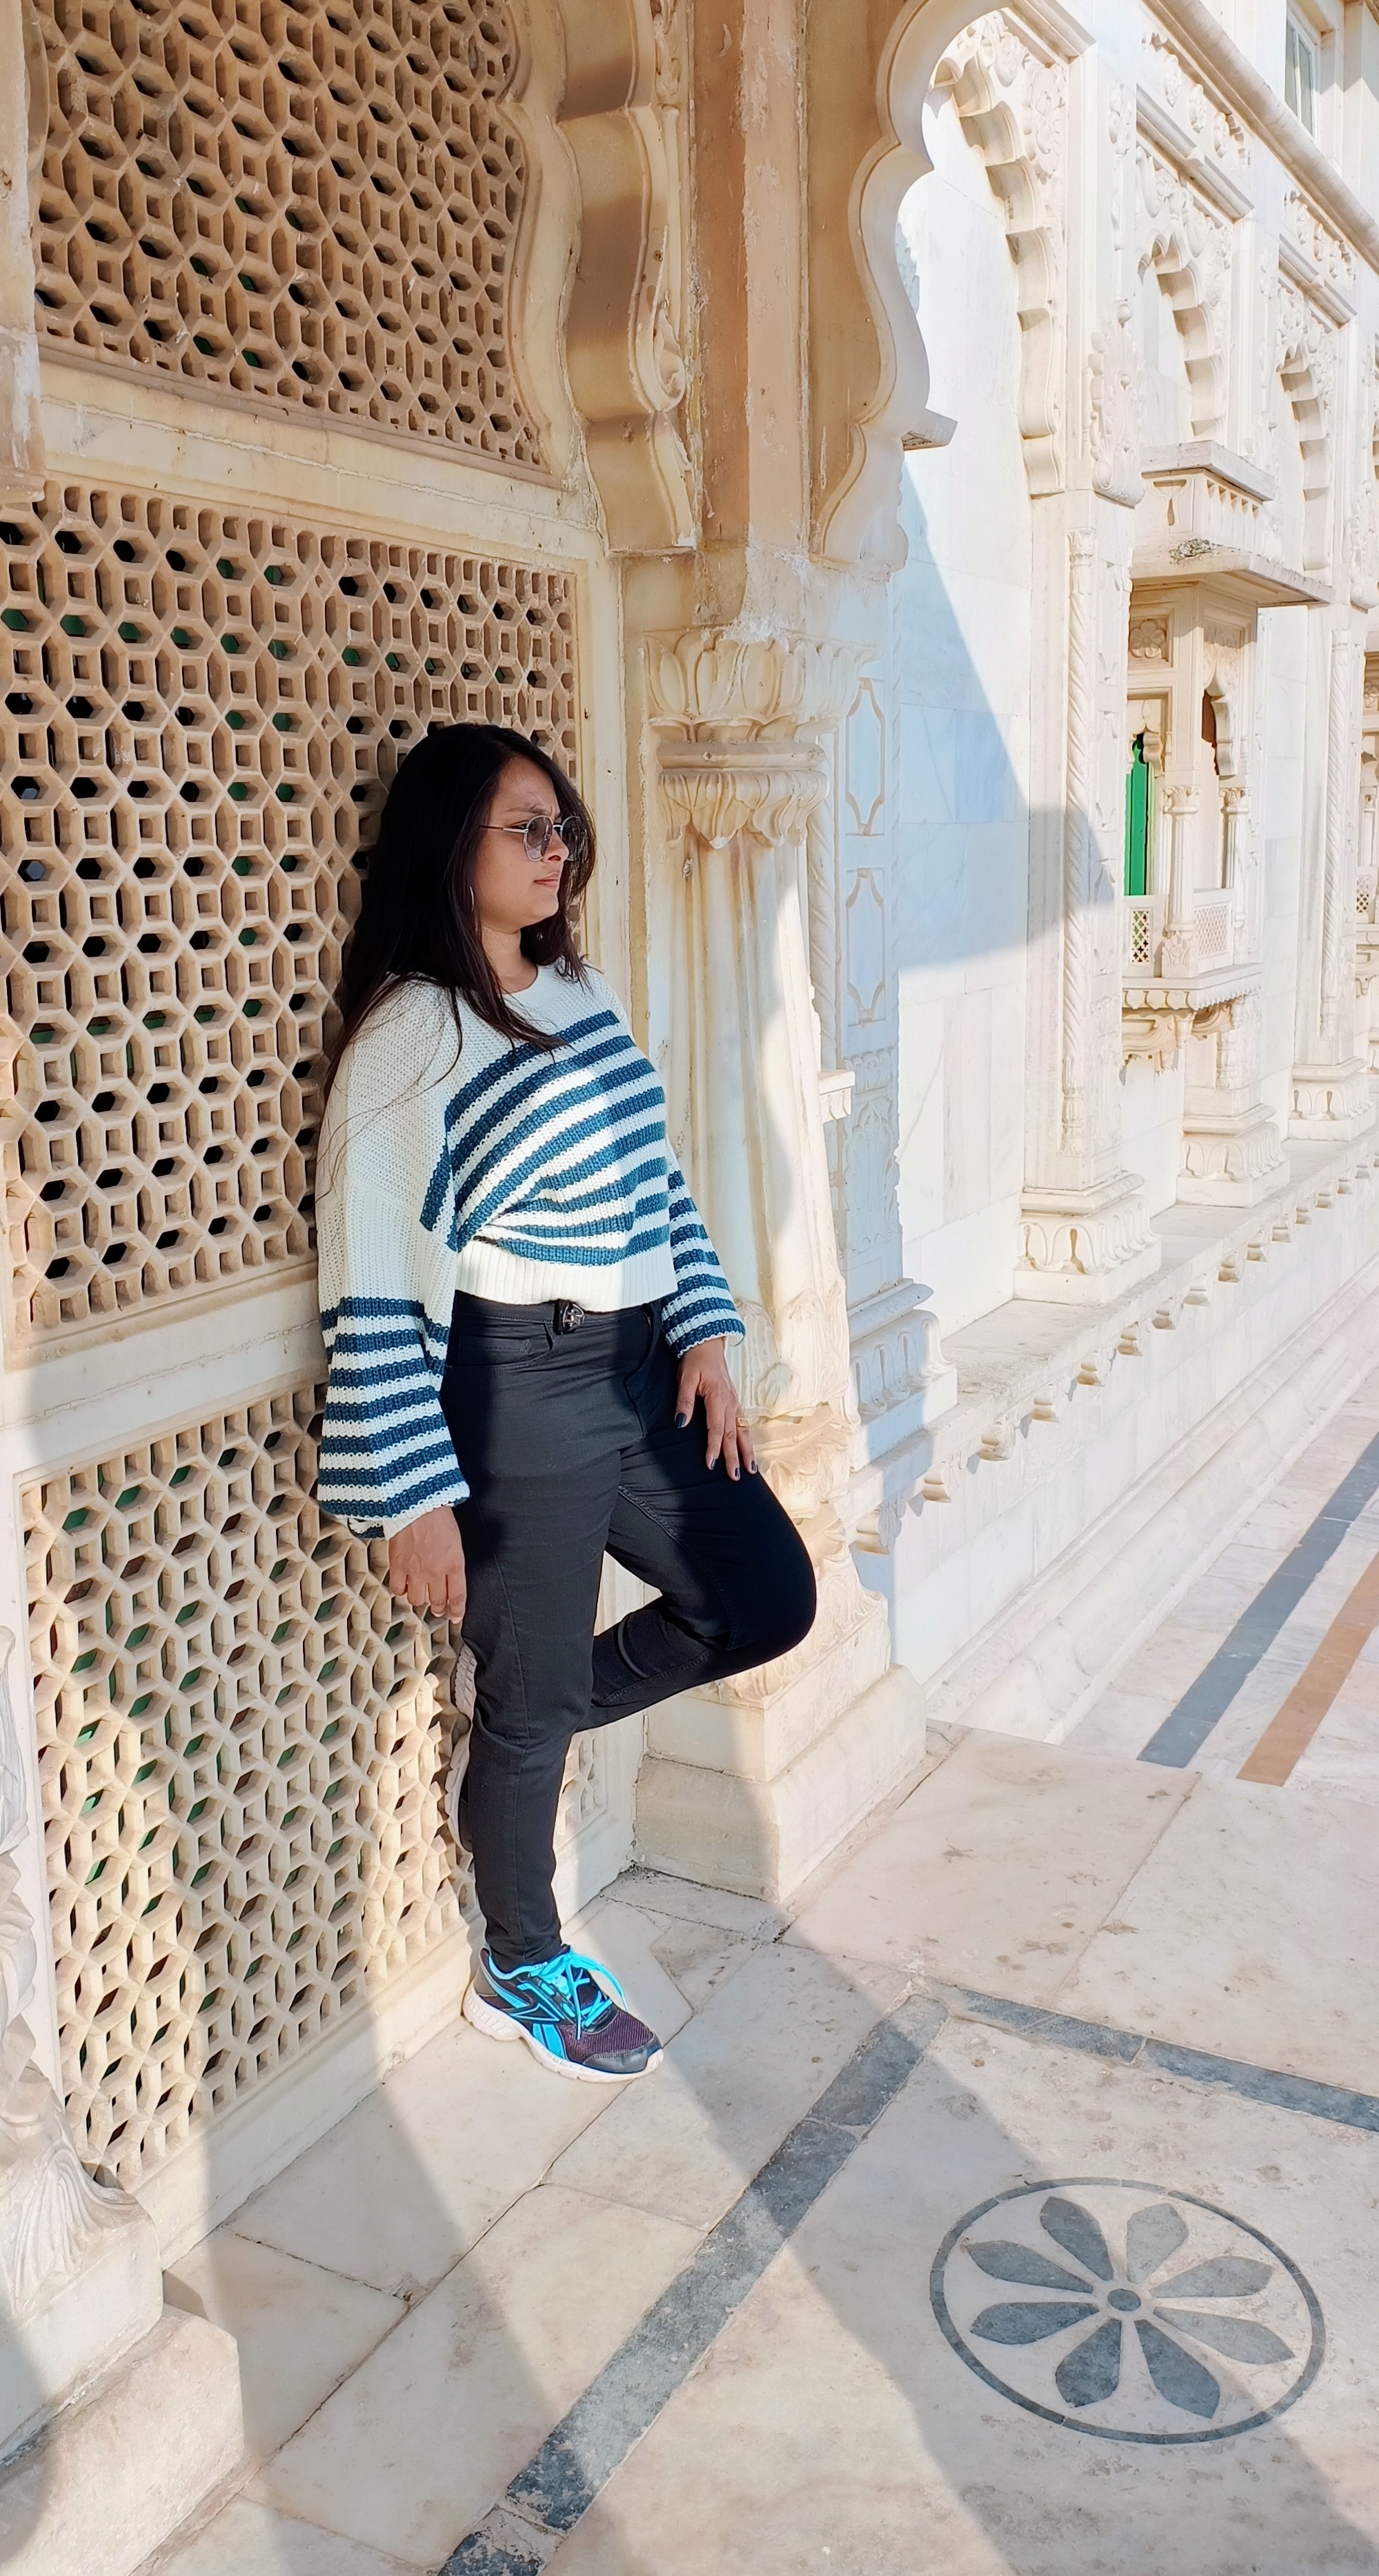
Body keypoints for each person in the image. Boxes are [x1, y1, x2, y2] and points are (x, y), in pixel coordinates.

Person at [314, 719, 817, 2081]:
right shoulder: (414, 1036)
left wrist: (703, 1328)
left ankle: (519, 1728)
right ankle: (521, 1958)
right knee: (531, 1696)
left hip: (640, 1367)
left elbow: (657, 1174)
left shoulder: (578, 991)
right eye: (528, 829)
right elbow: (370, 1270)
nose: (559, 852)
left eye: (566, 828)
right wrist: (413, 1496)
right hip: (515, 1383)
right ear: (452, 845)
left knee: (764, 1595)